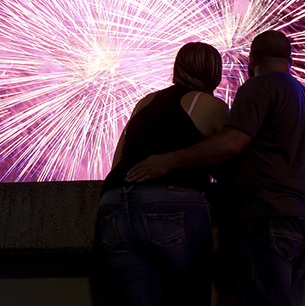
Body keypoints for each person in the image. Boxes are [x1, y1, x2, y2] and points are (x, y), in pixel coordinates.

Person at [126, 30, 305, 306]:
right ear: (289, 60)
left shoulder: (259, 87)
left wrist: (168, 160)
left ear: (251, 59)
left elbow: (231, 143)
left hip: (267, 216)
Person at [97, 42, 229, 306]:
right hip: (170, 205)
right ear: (214, 72)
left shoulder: (144, 103)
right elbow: (230, 168)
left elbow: (118, 159)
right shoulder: (212, 106)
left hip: (113, 208)